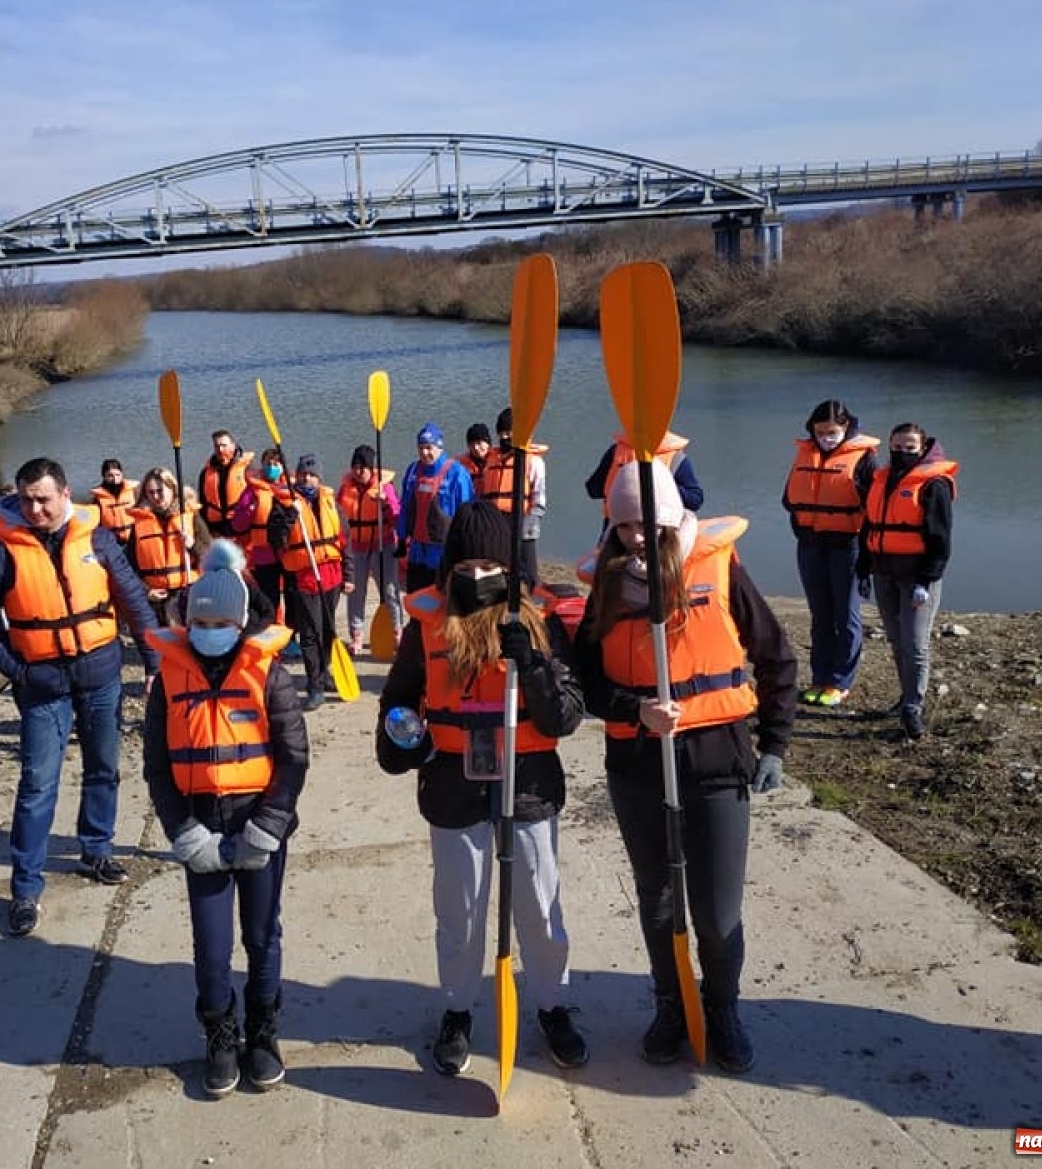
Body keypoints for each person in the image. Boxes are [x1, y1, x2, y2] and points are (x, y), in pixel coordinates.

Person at [572, 459, 797, 1073]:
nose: (637, 537)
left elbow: (777, 658)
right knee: (658, 902)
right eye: (624, 528)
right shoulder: (610, 585)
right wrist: (634, 709)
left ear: (672, 517)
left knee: (718, 914)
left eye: (648, 525)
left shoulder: (720, 568)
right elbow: (586, 680)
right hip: (639, 767)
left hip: (717, 764)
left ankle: (721, 1009)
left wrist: (774, 745)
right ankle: (672, 1006)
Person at [376, 500, 589, 1075]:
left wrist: (536, 667)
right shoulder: (428, 625)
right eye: (463, 566)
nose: (475, 577)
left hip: (528, 787)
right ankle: (458, 1009)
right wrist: (401, 737)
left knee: (540, 909)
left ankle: (553, 1004)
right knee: (461, 910)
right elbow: (397, 698)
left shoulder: (536, 619)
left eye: (487, 567)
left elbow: (567, 715)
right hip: (454, 788)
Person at [0, 457, 162, 937]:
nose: (35, 509)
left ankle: (96, 850)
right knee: (36, 785)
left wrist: (155, 662)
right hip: (41, 684)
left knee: (104, 769)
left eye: (44, 499)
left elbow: (132, 598)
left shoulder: (95, 535)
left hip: (100, 674)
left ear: (65, 495)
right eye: (26, 500)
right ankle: (26, 889)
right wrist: (16, 670)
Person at [144, 540, 310, 1096]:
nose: (210, 629)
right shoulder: (168, 680)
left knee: (262, 936)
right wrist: (182, 831)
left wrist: (268, 826)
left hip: (258, 822)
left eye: (221, 621)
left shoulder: (269, 675)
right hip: (200, 826)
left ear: (241, 623)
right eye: (202, 620)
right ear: (188, 621)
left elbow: (293, 757)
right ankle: (219, 1032)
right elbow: (157, 767)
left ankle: (263, 1032)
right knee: (211, 946)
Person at [859, 422, 958, 741]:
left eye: (910, 447)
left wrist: (926, 580)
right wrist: (863, 567)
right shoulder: (882, 479)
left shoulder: (934, 484)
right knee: (896, 640)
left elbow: (940, 539)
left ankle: (913, 708)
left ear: (924, 447)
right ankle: (906, 697)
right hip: (884, 571)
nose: (902, 452)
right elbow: (869, 526)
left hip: (917, 576)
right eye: (897, 447)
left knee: (915, 643)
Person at [782, 400, 880, 707]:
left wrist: (867, 554)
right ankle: (820, 677)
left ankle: (840, 681)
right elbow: (789, 499)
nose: (826, 436)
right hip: (811, 544)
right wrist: (804, 531)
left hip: (847, 545)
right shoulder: (804, 455)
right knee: (820, 614)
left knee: (846, 614)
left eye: (832, 431)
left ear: (846, 428)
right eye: (820, 431)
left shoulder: (864, 460)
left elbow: (874, 510)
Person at [269, 453, 349, 710]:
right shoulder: (284, 503)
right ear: (297, 475)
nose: (308, 479)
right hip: (304, 579)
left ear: (319, 477)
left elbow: (342, 539)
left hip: (331, 577)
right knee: (310, 634)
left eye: (312, 475)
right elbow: (276, 539)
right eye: (304, 474)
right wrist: (290, 517)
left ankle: (324, 674)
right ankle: (314, 687)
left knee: (328, 630)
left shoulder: (330, 503)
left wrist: (349, 575)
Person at [336, 444, 403, 654]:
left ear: (372, 468)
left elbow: (397, 517)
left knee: (390, 591)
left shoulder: (386, 487)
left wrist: (386, 503)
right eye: (355, 467)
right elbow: (337, 517)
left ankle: (397, 633)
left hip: (382, 545)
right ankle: (356, 636)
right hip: (355, 548)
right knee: (355, 593)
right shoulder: (345, 489)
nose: (358, 471)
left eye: (363, 467)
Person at [396, 423, 476, 594]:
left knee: (441, 604)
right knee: (417, 600)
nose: (425, 453)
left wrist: (466, 549)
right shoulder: (413, 471)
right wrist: (402, 539)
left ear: (439, 446)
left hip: (443, 553)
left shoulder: (457, 473)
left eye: (429, 448)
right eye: (421, 448)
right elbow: (405, 507)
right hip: (417, 550)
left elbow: (467, 515)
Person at [127, 467, 207, 626]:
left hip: (189, 593)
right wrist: (146, 591)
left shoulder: (189, 516)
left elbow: (211, 555)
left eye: (160, 491)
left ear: (172, 489)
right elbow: (129, 566)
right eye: (151, 492)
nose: (156, 497)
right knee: (164, 645)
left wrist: (192, 545)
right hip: (157, 600)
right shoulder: (139, 524)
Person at [481, 406, 548, 586]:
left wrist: (526, 529)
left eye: (508, 433)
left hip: (522, 523)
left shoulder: (533, 461)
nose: (504, 438)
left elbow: (539, 500)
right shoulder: (491, 460)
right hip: (495, 524)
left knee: (528, 576)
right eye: (501, 433)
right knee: (497, 574)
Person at [231, 448, 292, 642]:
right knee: (269, 598)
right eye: (268, 463)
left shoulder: (289, 488)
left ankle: (291, 637)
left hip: (288, 553)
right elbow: (237, 524)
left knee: (292, 597)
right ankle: (270, 634)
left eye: (275, 464)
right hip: (263, 553)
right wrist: (249, 511)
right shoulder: (251, 492)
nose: (271, 468)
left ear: (282, 467)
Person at [585, 430, 704, 525]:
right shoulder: (675, 456)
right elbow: (695, 500)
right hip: (655, 531)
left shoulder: (616, 451)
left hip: (621, 529)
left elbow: (594, 490)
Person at [197, 430, 254, 539]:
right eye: (217, 446)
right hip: (217, 527)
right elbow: (203, 503)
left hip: (241, 524)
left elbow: (256, 497)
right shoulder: (206, 473)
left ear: (233, 445)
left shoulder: (246, 468)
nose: (220, 449)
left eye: (224, 445)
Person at [90, 458, 137, 546]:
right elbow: (94, 522)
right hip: (111, 541)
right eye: (110, 475)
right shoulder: (97, 498)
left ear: (122, 474)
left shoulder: (134, 491)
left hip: (133, 538)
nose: (115, 479)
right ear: (104, 476)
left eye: (117, 475)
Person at [455, 422, 492, 496]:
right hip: (471, 505)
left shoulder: (499, 461)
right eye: (471, 444)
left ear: (488, 443)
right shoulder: (460, 466)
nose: (476, 448)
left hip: (493, 505)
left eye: (479, 443)